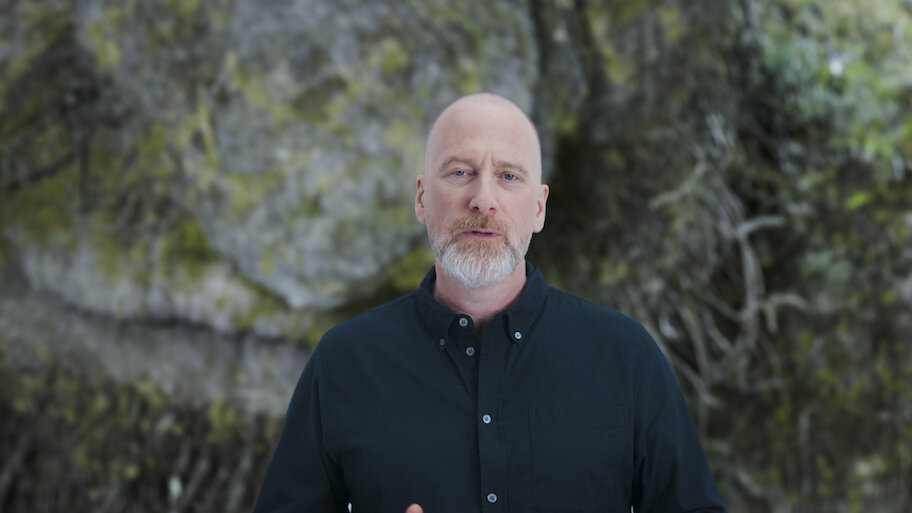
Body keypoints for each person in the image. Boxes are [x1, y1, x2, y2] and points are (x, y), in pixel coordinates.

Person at [252, 93, 727, 513]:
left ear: (538, 207)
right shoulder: (344, 363)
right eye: (460, 172)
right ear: (422, 199)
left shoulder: (627, 357)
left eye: (508, 176)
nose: (483, 199)